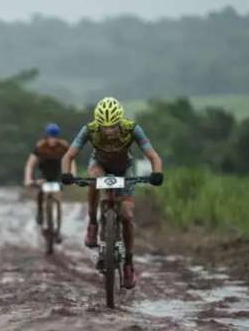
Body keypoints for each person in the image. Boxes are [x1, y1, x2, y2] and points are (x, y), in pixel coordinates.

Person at [60, 97, 163, 289]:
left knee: (126, 215)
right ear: (98, 124)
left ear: (120, 122)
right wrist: (66, 173)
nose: (108, 131)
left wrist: (157, 173)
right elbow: (69, 155)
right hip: (100, 164)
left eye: (113, 126)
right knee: (94, 180)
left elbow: (153, 155)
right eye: (104, 127)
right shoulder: (89, 129)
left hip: (125, 168)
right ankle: (92, 223)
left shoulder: (132, 128)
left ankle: (129, 264)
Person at [23, 123, 77, 238]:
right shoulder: (40, 146)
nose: (53, 139)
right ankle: (40, 212)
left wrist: (72, 174)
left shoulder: (63, 146)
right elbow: (30, 165)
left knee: (57, 197)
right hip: (44, 173)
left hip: (58, 173)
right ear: (46, 136)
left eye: (55, 136)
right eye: (50, 137)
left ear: (58, 137)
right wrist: (28, 179)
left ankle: (57, 226)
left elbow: (71, 160)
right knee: (41, 193)